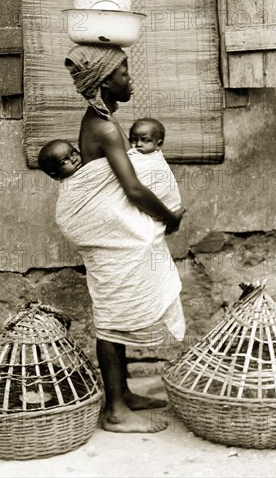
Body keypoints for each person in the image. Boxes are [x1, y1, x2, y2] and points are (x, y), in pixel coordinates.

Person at [57, 43, 185, 433]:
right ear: (106, 82)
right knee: (111, 313)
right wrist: (169, 218)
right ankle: (115, 409)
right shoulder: (108, 128)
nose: (131, 80)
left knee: (115, 303)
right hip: (107, 233)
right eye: (124, 74)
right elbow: (131, 189)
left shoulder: (99, 118)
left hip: (110, 226)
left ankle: (124, 394)